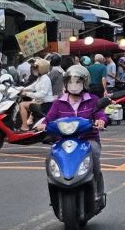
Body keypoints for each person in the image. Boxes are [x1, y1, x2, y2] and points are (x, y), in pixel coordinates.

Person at [38, 65, 108, 196]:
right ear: (65, 83)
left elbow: (100, 114)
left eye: (78, 81)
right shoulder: (59, 102)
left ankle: (98, 192)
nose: (73, 85)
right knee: (50, 157)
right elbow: (49, 118)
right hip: (63, 140)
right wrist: (42, 124)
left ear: (85, 82)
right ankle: (54, 191)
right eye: (70, 81)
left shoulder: (92, 100)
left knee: (94, 156)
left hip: (88, 139)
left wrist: (101, 120)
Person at [19, 58, 53, 129]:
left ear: (42, 69)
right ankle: (30, 122)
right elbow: (33, 86)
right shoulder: (40, 78)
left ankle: (24, 126)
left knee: (22, 105)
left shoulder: (45, 79)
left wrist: (27, 94)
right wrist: (21, 88)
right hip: (41, 102)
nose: (34, 70)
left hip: (45, 105)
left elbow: (41, 95)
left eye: (36, 68)